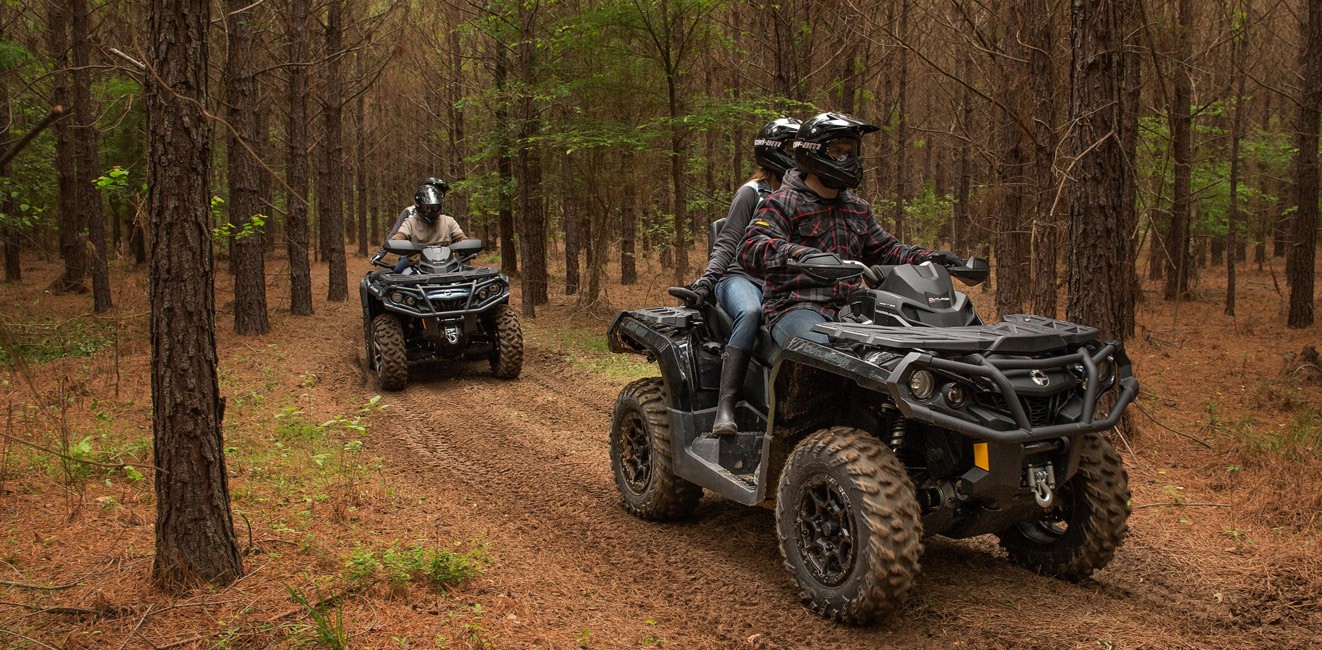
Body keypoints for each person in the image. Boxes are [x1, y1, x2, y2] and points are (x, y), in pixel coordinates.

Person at [738, 112, 963, 345]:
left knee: (900, 350)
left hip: (853, 309)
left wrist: (932, 258)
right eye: (837, 152)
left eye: (851, 152)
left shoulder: (857, 207)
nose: (849, 159)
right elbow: (751, 247)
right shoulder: (782, 201)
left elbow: (887, 250)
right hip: (796, 307)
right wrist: (799, 254)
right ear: (811, 153)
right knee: (821, 356)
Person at [689, 118, 800, 436]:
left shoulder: (802, 200)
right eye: (792, 149)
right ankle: (726, 407)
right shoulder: (751, 193)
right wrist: (708, 280)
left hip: (780, 283)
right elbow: (727, 242)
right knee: (751, 313)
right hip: (739, 278)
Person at [374, 178, 466, 272]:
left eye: (435, 207)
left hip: (447, 263)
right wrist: (386, 249)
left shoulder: (447, 220)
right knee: (397, 273)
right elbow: (396, 234)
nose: (430, 210)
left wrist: (465, 247)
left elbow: (460, 237)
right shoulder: (410, 219)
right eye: (426, 207)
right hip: (416, 263)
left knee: (466, 273)